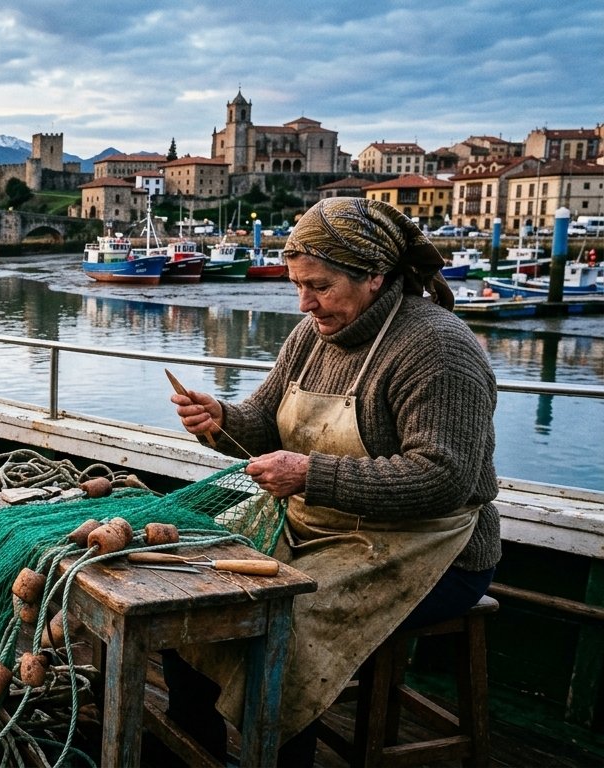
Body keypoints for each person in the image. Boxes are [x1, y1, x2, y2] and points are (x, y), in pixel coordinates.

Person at [166, 197, 501, 765]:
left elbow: (444, 479)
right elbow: (265, 418)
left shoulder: (439, 348)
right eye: (298, 286)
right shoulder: (310, 335)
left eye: (318, 286)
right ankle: (188, 752)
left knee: (278, 631)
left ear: (374, 275)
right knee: (192, 608)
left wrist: (310, 473)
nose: (305, 303)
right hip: (319, 530)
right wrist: (222, 420)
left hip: (434, 551)